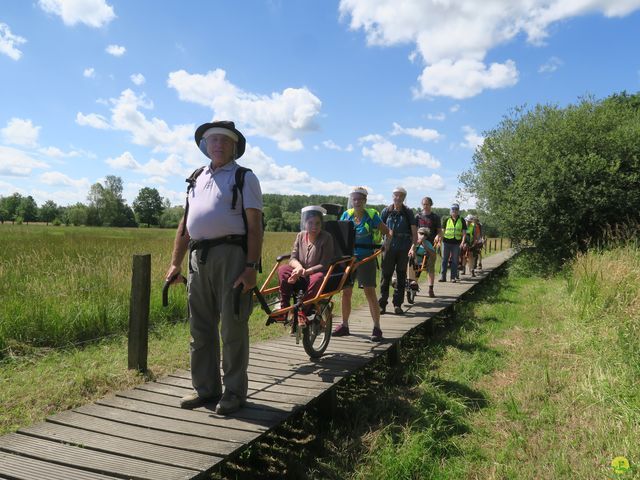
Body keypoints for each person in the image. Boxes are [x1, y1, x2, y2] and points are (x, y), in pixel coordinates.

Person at [165, 120, 263, 415]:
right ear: (205, 145)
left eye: (224, 140)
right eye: (213, 140)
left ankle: (234, 392)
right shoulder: (196, 177)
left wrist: (250, 267)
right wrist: (175, 263)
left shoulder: (245, 178)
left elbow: (255, 226)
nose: (218, 144)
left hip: (232, 256)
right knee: (200, 327)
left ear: (234, 146)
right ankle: (206, 389)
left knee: (232, 327)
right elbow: (185, 224)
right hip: (198, 259)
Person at [333, 187, 390, 341]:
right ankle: (344, 325)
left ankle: (377, 328)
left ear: (365, 201)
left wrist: (386, 244)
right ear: (351, 200)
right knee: (346, 292)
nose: (357, 202)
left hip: (366, 259)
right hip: (349, 260)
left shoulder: (372, 216)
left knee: (369, 293)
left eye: (360, 199)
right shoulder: (346, 215)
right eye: (354, 199)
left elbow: (388, 232)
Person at [277, 206, 334, 331]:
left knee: (318, 277)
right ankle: (284, 309)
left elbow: (324, 264)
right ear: (305, 223)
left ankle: (302, 311)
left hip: (316, 273)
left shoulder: (326, 237)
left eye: (317, 223)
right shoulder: (300, 235)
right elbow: (292, 258)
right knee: (282, 269)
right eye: (310, 223)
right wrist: (298, 268)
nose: (314, 226)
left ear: (321, 224)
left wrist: (304, 271)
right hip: (301, 272)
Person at [379, 187, 417, 315]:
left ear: (404, 198)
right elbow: (379, 229)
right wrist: (381, 244)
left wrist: (413, 247)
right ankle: (382, 304)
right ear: (392, 196)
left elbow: (414, 232)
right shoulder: (386, 211)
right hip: (389, 248)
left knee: (401, 277)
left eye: (401, 196)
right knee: (385, 276)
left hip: (403, 248)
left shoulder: (408, 213)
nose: (398, 198)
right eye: (396, 195)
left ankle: (397, 305)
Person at [414, 196, 442, 297]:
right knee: (417, 266)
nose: (425, 206)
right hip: (419, 244)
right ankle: (414, 285)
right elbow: (414, 229)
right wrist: (419, 239)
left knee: (430, 267)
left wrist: (438, 237)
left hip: (430, 244)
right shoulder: (418, 216)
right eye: (424, 204)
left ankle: (430, 288)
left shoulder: (435, 217)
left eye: (427, 204)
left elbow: (439, 231)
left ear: (431, 205)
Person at [439, 203, 466, 283]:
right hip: (446, 242)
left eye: (456, 209)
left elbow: (464, 233)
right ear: (450, 211)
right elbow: (442, 232)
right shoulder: (446, 219)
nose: (454, 211)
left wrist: (462, 242)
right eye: (453, 209)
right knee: (444, 260)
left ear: (458, 211)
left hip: (457, 243)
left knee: (455, 260)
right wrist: (439, 241)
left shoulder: (462, 220)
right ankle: (443, 277)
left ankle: (453, 277)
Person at [407, 226, 437, 294]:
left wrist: (425, 246)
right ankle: (411, 286)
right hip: (413, 261)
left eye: (425, 234)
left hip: (424, 262)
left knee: (431, 264)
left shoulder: (427, 243)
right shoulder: (412, 241)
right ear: (417, 233)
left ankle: (431, 288)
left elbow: (433, 254)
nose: (423, 235)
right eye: (421, 233)